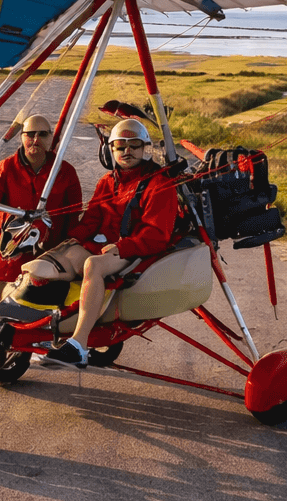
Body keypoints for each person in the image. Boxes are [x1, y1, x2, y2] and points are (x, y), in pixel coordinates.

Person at [20, 117, 183, 365]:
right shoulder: (107, 182)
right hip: (105, 248)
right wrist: (70, 239)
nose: (127, 151)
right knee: (52, 262)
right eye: (120, 146)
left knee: (93, 266)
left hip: (135, 251)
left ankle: (79, 344)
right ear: (111, 150)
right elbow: (91, 220)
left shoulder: (159, 184)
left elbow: (157, 234)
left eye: (134, 145)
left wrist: (123, 246)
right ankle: (49, 325)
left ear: (144, 149)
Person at [0, 114, 82, 290]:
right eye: (30, 134)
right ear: (22, 136)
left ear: (51, 138)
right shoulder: (4, 169)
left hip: (47, 263)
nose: (35, 139)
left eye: (42, 134)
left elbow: (74, 218)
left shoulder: (66, 171)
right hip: (6, 265)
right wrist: (11, 221)